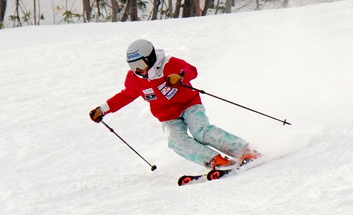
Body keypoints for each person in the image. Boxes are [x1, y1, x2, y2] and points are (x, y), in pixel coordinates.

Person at [89, 38, 259, 175]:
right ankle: (215, 160)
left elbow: (191, 70)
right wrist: (102, 109)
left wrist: (180, 76)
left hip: (189, 105)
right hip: (168, 116)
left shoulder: (169, 63)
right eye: (132, 66)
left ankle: (244, 151)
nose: (137, 70)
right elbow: (126, 95)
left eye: (139, 65)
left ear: (149, 58)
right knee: (175, 141)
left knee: (201, 131)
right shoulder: (135, 79)